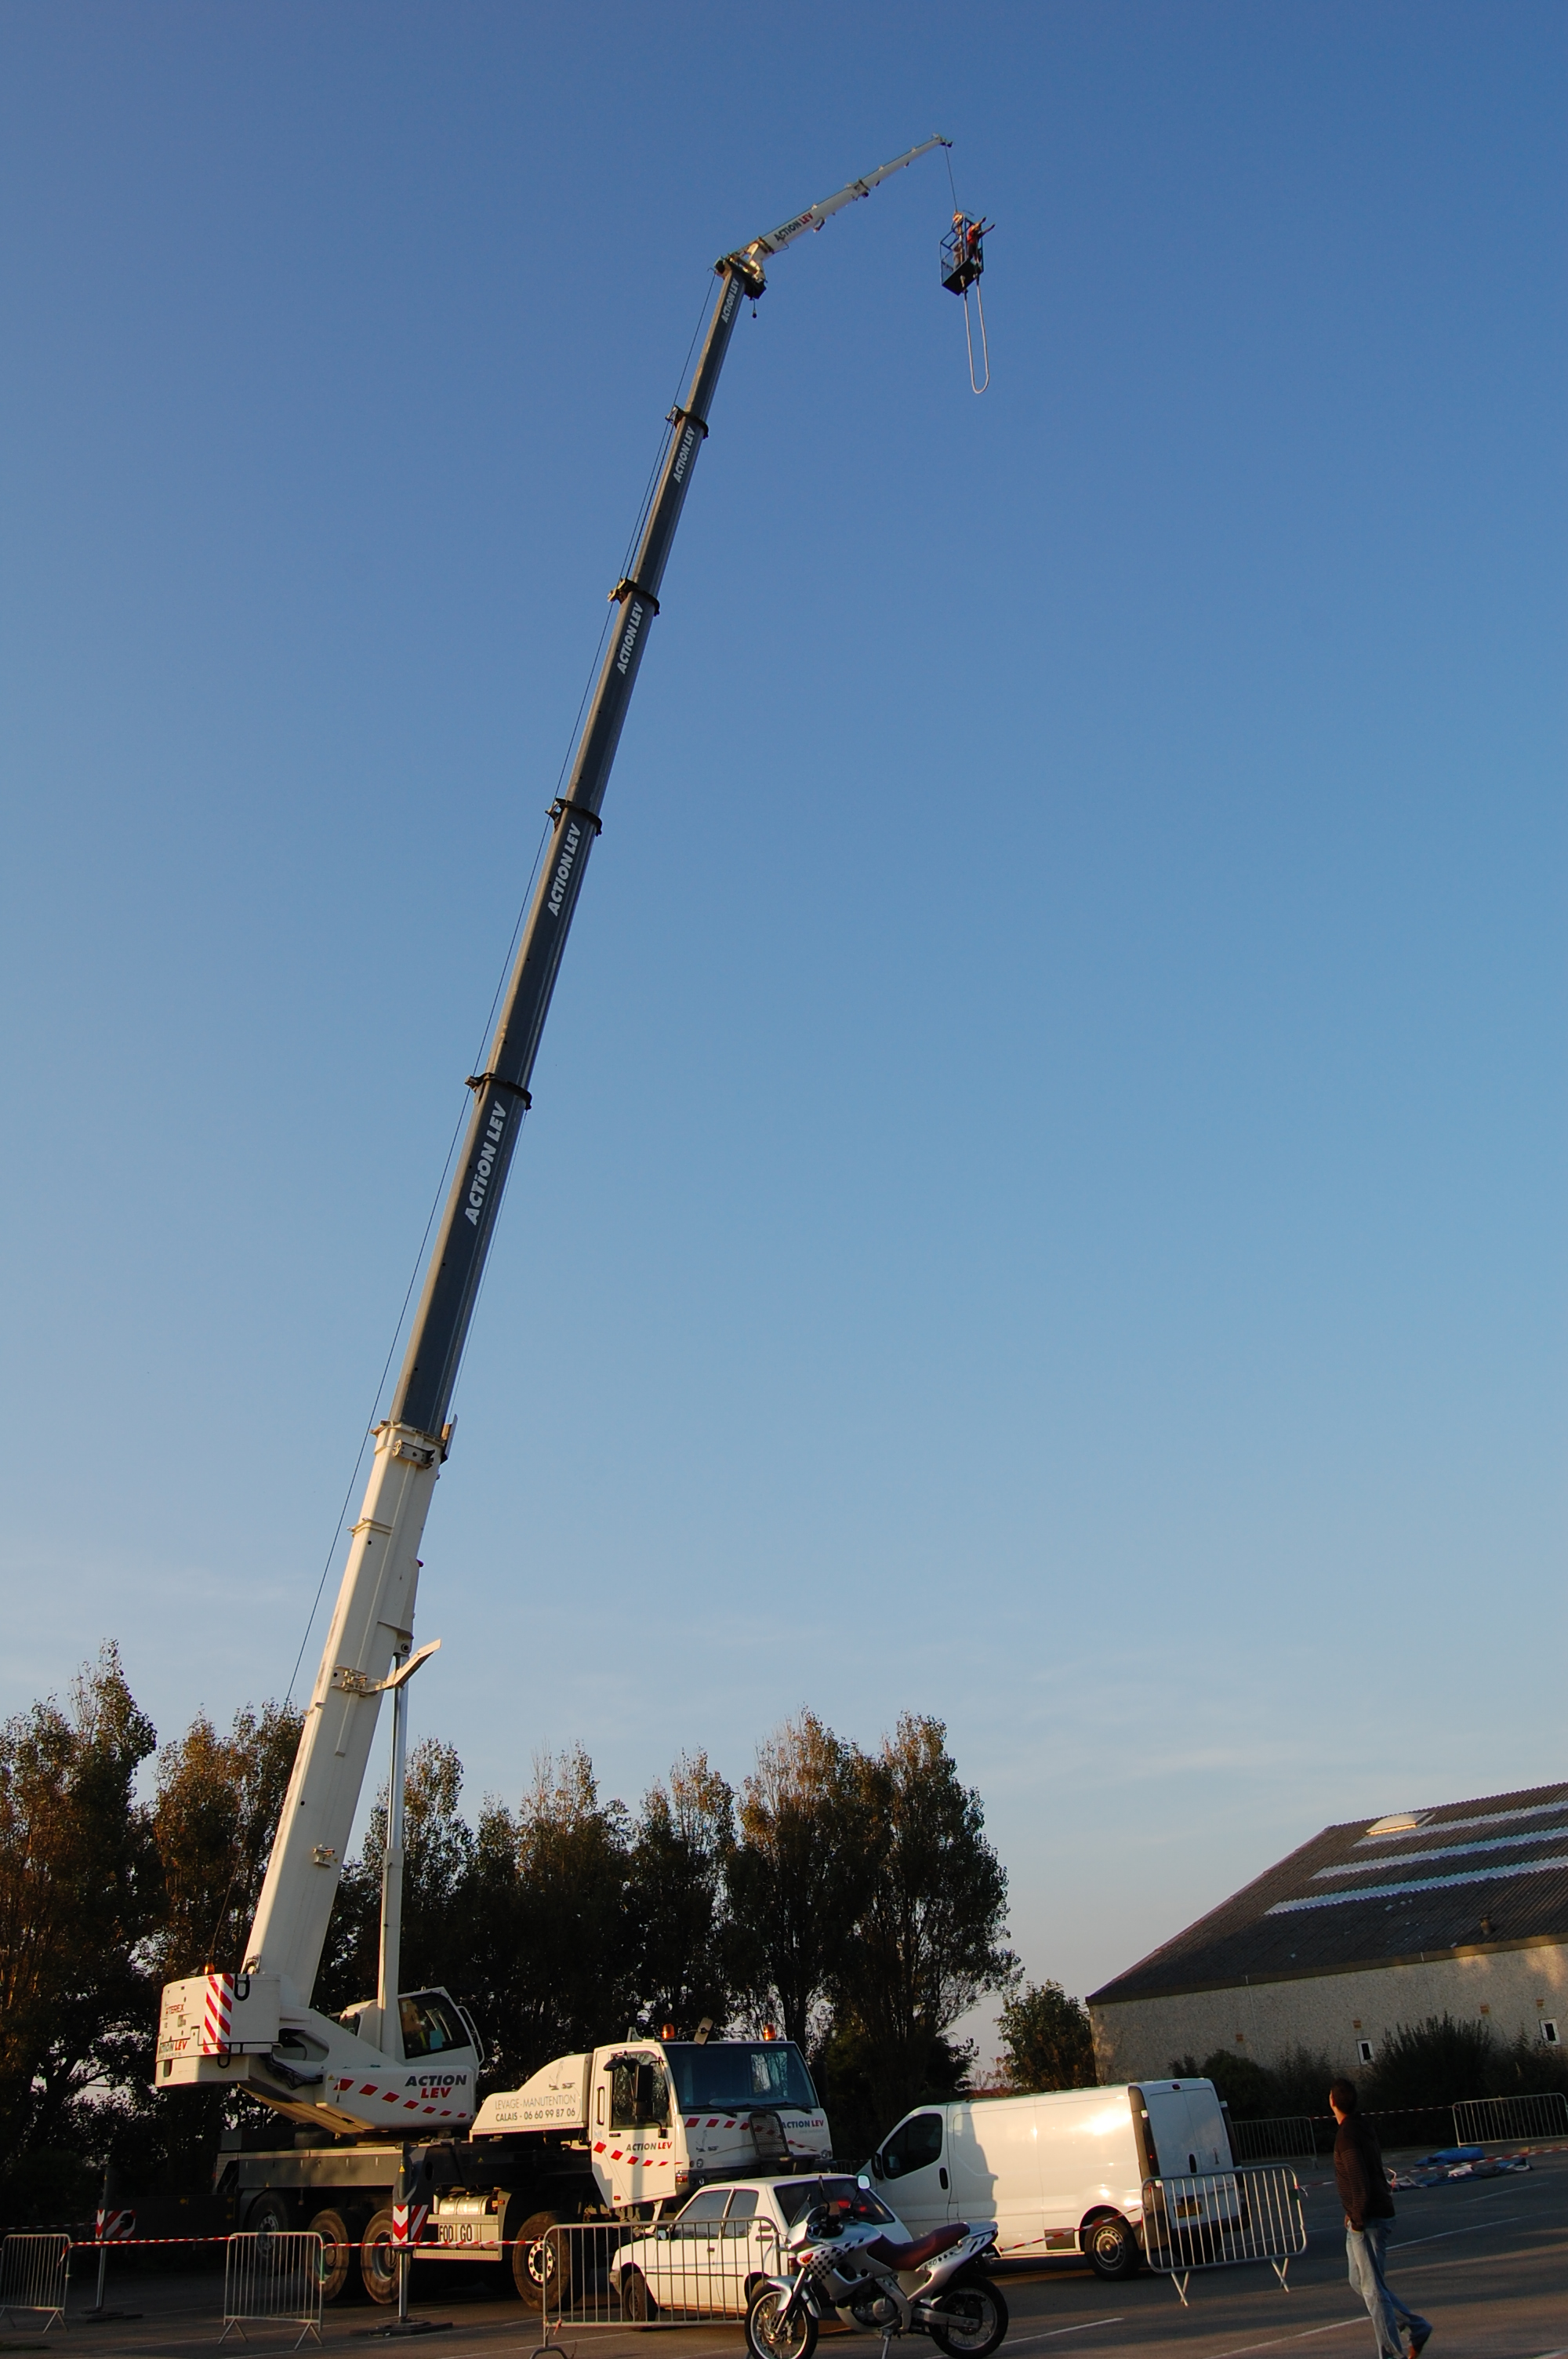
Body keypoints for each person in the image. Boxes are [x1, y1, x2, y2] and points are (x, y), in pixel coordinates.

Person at [1330, 2077, 1432, 2358]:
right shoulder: (1360, 2126)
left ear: (1333, 2102)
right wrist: (1351, 2212)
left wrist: (1357, 2217)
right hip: (1364, 2216)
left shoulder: (1348, 2135)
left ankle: (1391, 2353)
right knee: (1359, 2281)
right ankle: (1416, 2326)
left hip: (1369, 2221)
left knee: (1374, 2293)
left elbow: (1360, 2180)